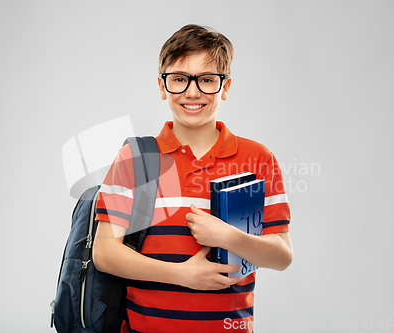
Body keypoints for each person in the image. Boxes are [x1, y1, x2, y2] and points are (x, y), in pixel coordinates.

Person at [93, 24, 293, 333]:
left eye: (207, 80)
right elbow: (105, 253)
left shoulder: (258, 159)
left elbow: (281, 256)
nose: (192, 91)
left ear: (225, 87)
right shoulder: (136, 160)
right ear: (162, 86)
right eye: (179, 79)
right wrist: (182, 275)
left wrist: (227, 237)